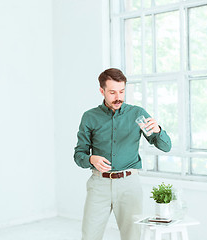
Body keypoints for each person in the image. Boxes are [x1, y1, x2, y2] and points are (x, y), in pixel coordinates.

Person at [74, 68, 172, 240]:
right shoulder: (89, 117)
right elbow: (78, 154)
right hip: (99, 185)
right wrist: (91, 159)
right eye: (112, 92)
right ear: (101, 91)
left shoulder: (137, 114)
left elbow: (166, 147)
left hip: (129, 185)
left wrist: (158, 130)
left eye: (121, 91)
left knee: (132, 237)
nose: (118, 97)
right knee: (89, 236)